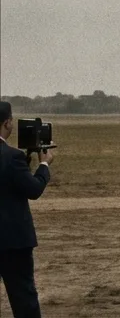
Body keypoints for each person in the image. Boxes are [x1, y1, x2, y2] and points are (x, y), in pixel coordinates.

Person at [0, 101, 51, 318]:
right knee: (23, 298)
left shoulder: (13, 158)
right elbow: (33, 189)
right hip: (13, 242)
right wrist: (44, 165)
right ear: (7, 122)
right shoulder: (12, 157)